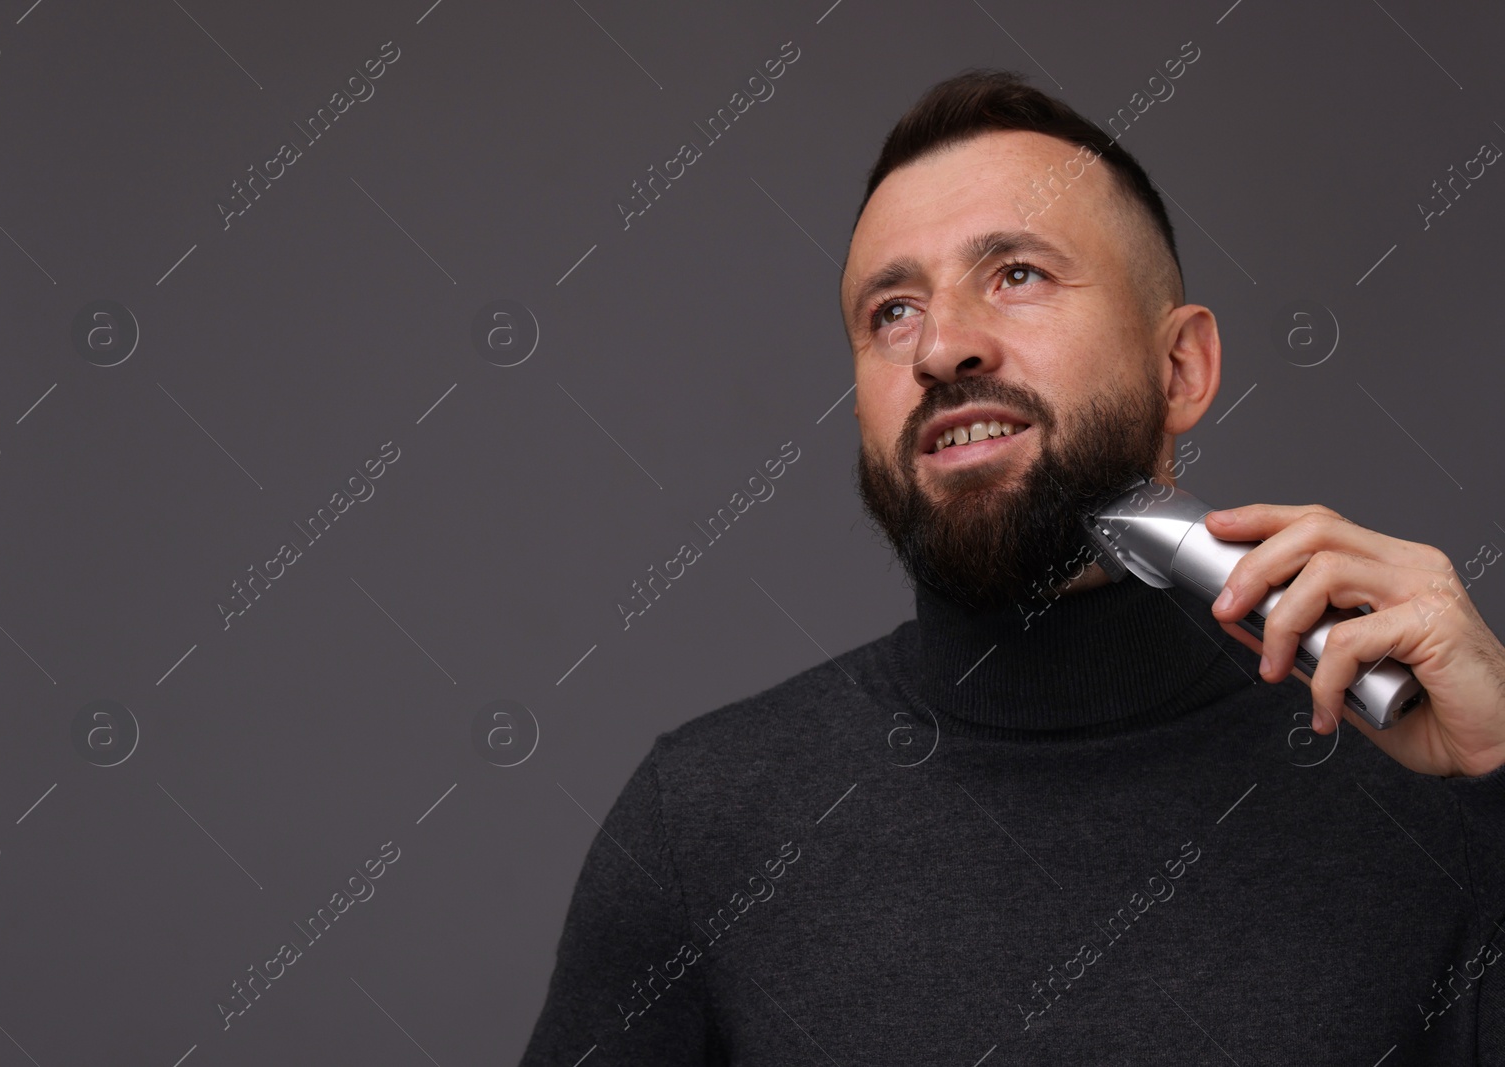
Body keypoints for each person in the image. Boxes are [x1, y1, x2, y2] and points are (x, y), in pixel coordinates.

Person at [517, 69, 1505, 1064]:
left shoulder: (1441, 779)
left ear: (1181, 369)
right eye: (892, 310)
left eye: (1018, 273)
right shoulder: (704, 824)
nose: (942, 347)